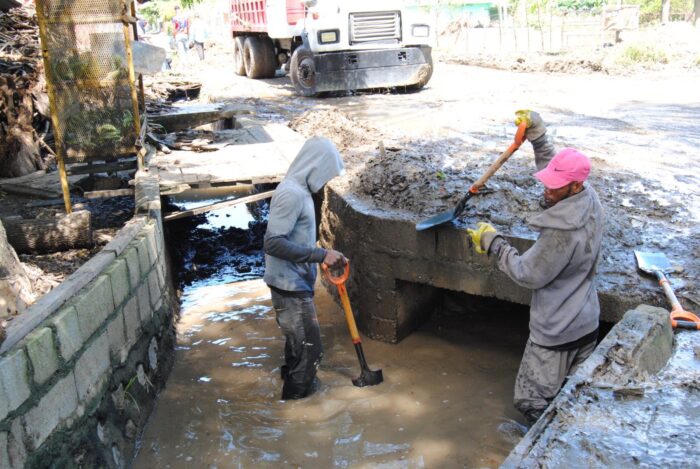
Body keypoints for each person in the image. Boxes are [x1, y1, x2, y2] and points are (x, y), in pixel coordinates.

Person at [467, 110, 604, 426]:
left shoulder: (561, 233)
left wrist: (493, 242)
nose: (547, 190)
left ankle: (541, 445)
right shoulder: (590, 200)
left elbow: (527, 273)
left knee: (531, 402)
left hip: (556, 332)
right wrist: (538, 137)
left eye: (555, 187)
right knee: (572, 396)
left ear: (574, 187)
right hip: (586, 322)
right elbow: (554, 171)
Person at [263, 137, 347, 400]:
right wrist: (321, 254)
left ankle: (292, 393)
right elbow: (273, 243)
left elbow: (296, 239)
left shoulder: (300, 190)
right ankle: (294, 411)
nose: (324, 182)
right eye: (325, 175)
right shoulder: (291, 194)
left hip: (295, 282)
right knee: (311, 353)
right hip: (289, 287)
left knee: (298, 350)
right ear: (314, 166)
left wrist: (319, 258)